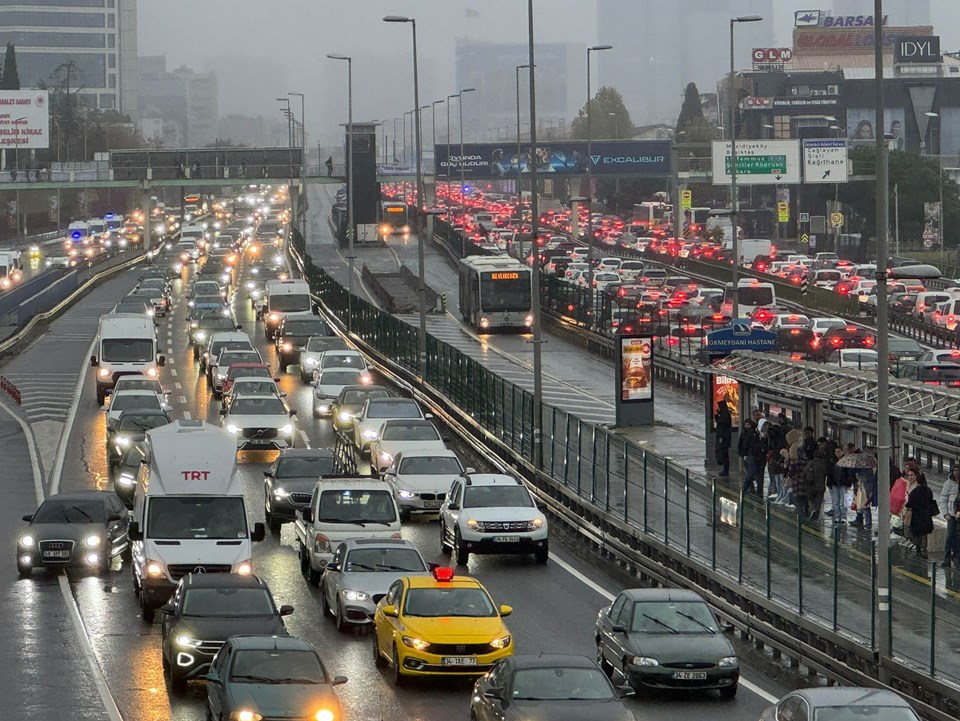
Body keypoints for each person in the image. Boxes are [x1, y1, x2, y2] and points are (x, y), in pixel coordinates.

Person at [905, 472, 936, 559]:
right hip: (926, 516)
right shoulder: (928, 490)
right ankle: (924, 549)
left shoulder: (915, 492)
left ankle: (918, 550)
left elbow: (909, 504)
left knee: (916, 534)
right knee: (924, 534)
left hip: (917, 516)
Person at [940, 465, 960, 568]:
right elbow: (943, 499)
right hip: (951, 516)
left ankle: (956, 557)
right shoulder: (948, 484)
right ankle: (946, 559)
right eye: (955, 470)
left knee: (958, 538)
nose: (957, 472)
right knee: (949, 537)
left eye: (958, 470)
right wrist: (945, 513)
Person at [738, 419, 763, 495]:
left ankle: (757, 491)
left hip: (759, 456)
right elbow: (743, 444)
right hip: (751, 455)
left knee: (756, 475)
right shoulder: (750, 433)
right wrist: (744, 454)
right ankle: (745, 490)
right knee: (750, 474)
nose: (747, 427)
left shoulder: (761, 433)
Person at [714, 401, 732, 476]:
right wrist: (717, 414)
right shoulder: (723, 414)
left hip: (724, 438)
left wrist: (721, 438)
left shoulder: (725, 415)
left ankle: (725, 470)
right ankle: (724, 469)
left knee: (724, 454)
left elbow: (722, 426)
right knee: (723, 453)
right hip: (724, 438)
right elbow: (718, 422)